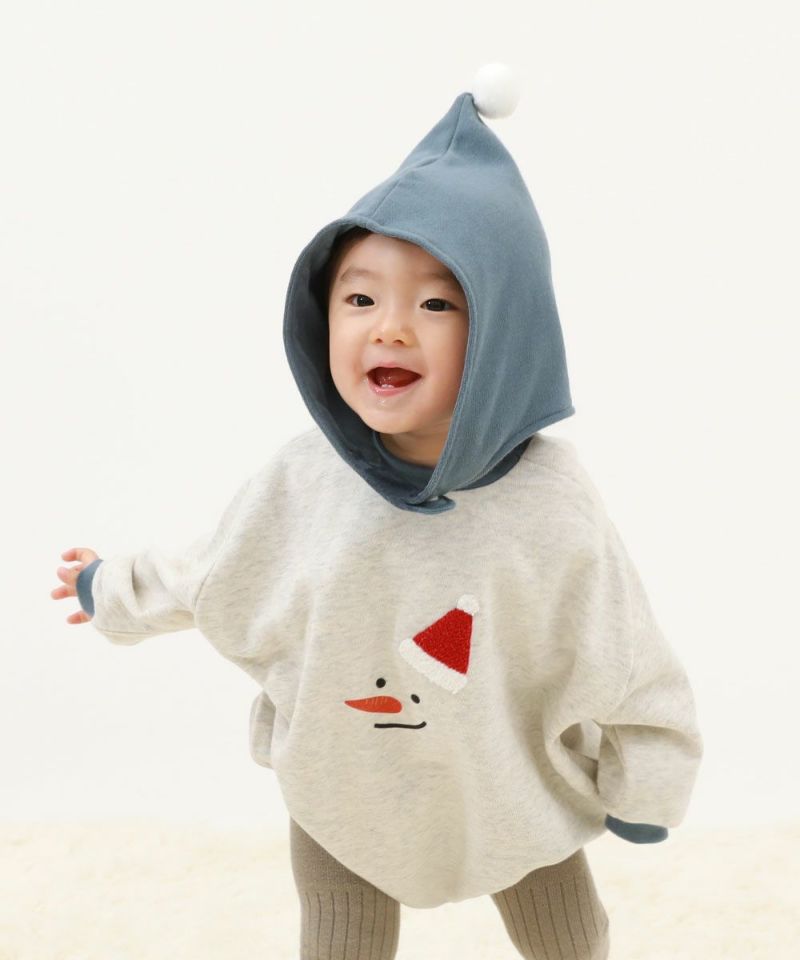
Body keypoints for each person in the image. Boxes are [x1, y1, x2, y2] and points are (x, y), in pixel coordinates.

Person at [51, 64, 704, 960]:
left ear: (504, 334)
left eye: (435, 303)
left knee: (567, 936)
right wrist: (110, 588)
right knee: (339, 937)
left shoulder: (552, 502)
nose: (389, 327)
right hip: (343, 783)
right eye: (360, 298)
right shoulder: (305, 477)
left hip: (508, 782)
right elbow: (217, 565)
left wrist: (646, 786)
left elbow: (626, 651)